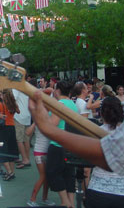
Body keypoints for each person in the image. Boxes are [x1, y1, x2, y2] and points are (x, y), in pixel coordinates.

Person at [28, 79, 124, 208]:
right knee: (66, 176)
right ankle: (68, 202)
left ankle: (65, 202)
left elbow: (115, 156)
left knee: (54, 173)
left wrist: (46, 127)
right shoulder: (123, 128)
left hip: (98, 191)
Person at [84, 96, 124, 208]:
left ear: (101, 113)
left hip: (97, 191)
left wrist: (86, 191)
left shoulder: (95, 133)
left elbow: (87, 169)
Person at [45, 80, 78, 208]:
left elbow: (52, 124)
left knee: (53, 173)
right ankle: (71, 203)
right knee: (69, 175)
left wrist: (43, 118)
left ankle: (66, 202)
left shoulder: (59, 104)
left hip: (58, 144)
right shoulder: (73, 104)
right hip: (70, 143)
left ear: (57, 91)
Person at [0, 87, 20, 181]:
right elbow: (18, 111)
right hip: (11, 127)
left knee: (1, 150)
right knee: (10, 150)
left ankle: (9, 172)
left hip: (1, 129)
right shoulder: (12, 104)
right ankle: (11, 172)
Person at [26, 122, 55, 207]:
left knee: (47, 176)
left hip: (48, 151)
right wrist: (35, 123)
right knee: (43, 176)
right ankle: (32, 199)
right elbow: (27, 133)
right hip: (39, 151)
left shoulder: (50, 119)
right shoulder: (38, 121)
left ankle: (44, 198)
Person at [12, 89, 32, 169]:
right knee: (26, 139)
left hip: (19, 116)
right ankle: (27, 158)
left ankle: (25, 159)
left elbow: (13, 99)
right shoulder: (26, 86)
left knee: (19, 139)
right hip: (27, 115)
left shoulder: (16, 87)